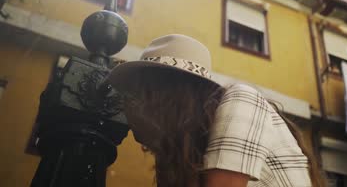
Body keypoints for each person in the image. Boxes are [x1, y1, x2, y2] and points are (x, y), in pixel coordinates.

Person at [107, 34, 325, 187]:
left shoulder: (242, 101)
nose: (132, 102)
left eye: (143, 91)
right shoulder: (181, 150)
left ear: (171, 95)